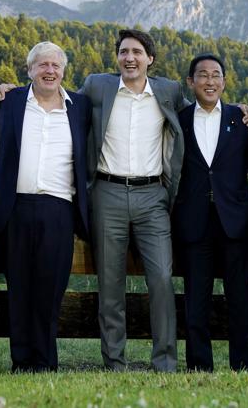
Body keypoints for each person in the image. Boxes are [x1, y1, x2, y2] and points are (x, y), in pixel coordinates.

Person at [80, 28, 186, 372]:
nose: (129, 58)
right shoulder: (98, 85)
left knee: (161, 280)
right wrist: (15, 91)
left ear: (149, 59)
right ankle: (115, 362)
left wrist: (243, 110)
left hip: (152, 195)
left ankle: (165, 362)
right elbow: (58, 98)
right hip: (107, 193)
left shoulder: (168, 91)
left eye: (137, 52)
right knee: (110, 283)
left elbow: (202, 111)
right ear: (117, 57)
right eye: (124, 52)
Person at [0, 41, 91, 372]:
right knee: (19, 288)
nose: (49, 71)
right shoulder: (10, 102)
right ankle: (21, 361)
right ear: (29, 70)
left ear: (63, 72)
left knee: (50, 289)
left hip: (59, 209)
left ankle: (45, 362)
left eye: (56, 66)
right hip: (16, 207)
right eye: (42, 65)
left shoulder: (81, 107)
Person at [173, 53, 248, 372]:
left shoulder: (242, 118)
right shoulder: (178, 120)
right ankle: (198, 366)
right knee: (196, 301)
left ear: (224, 81)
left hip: (234, 222)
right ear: (191, 82)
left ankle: (244, 366)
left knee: (240, 299)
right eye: (203, 75)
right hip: (194, 223)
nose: (210, 81)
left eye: (216, 75)